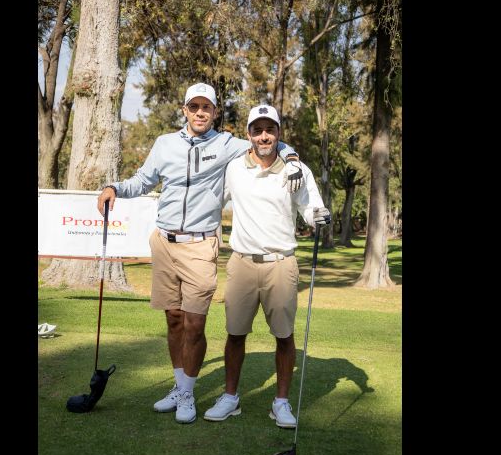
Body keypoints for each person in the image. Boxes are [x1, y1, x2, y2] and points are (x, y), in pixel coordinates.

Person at [96, 83, 305, 424]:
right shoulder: (164, 144)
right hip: (163, 242)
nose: (200, 113)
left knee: (194, 322)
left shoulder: (226, 145)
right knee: (174, 319)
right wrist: (114, 188)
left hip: (200, 244)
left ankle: (189, 394)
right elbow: (143, 180)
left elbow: (267, 140)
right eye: (194, 107)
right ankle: (181, 388)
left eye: (206, 107)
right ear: (185, 110)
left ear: (215, 112)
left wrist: (292, 156)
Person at [202, 104, 331, 428]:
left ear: (278, 133)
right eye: (258, 130)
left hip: (281, 263)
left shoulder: (295, 170)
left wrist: (318, 215)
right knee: (235, 334)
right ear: (249, 134)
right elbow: (214, 201)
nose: (264, 136)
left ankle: (281, 403)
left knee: (284, 337)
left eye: (270, 129)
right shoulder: (234, 168)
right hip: (242, 263)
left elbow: (310, 206)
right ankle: (230, 398)